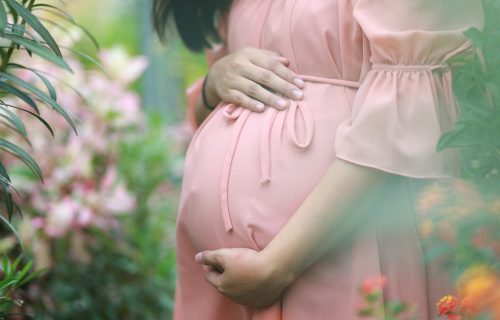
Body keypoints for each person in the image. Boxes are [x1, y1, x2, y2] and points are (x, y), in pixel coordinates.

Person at [152, 0, 484, 319]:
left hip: (344, 243)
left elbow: (412, 118)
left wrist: (277, 266)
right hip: (226, 287)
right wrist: (214, 82)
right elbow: (207, 116)